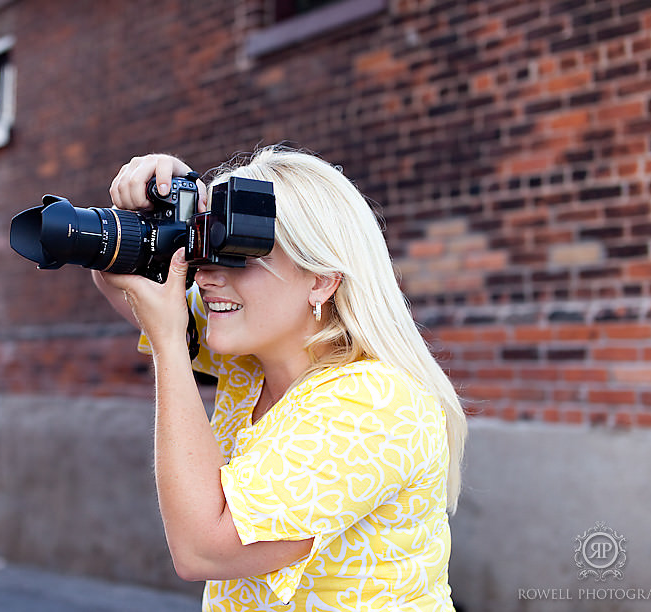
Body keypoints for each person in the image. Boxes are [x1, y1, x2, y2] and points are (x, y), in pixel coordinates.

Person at [93, 146, 467, 611]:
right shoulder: (254, 358)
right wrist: (152, 208)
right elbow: (129, 291)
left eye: (237, 256)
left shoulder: (374, 403)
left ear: (321, 279)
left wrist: (169, 342)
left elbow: (202, 549)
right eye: (205, 250)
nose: (206, 276)